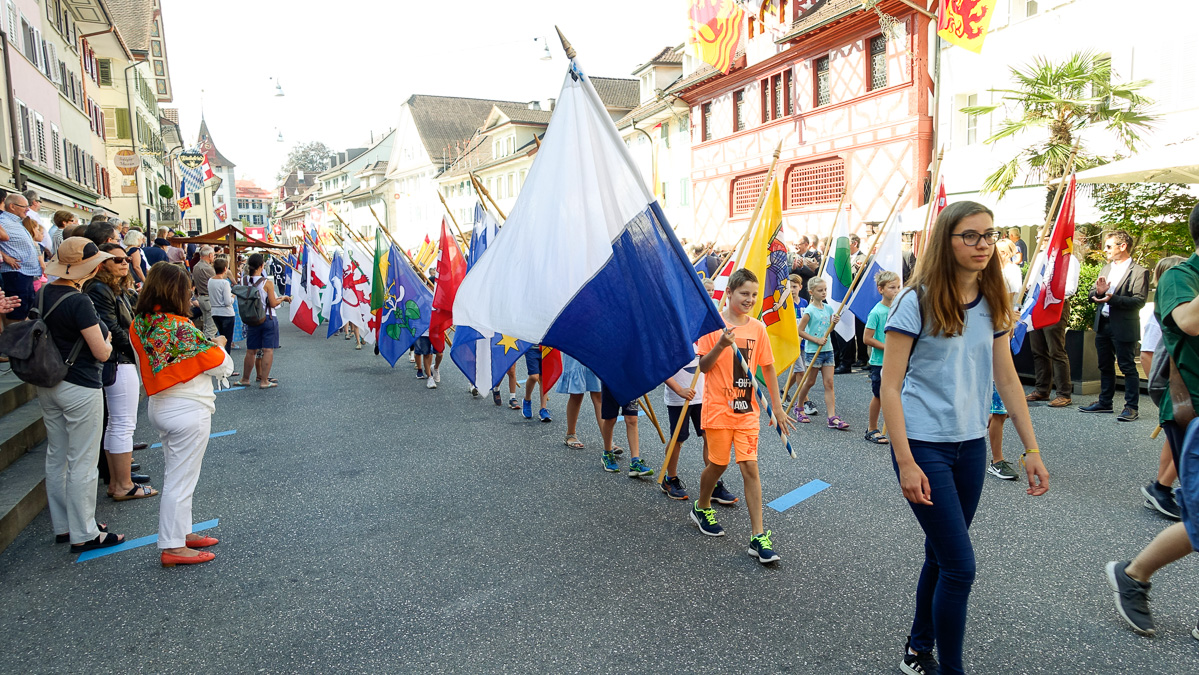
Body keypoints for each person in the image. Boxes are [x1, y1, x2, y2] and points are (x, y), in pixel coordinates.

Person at [881, 202, 1048, 675]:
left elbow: (1009, 380)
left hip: (972, 446)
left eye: (989, 236)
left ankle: (917, 648)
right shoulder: (915, 300)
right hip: (923, 446)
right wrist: (906, 462)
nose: (982, 245)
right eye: (970, 236)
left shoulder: (994, 302)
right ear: (946, 241)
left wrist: (1030, 448)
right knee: (960, 566)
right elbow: (891, 386)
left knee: (941, 554)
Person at [1105, 203, 1199, 639]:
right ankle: (1135, 573)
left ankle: (1135, 573)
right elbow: (1188, 321)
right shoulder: (1183, 277)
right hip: (1192, 409)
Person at [131, 263, 234, 567]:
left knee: (179, 474)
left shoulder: (141, 323)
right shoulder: (179, 327)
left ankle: (183, 532)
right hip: (188, 408)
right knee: (181, 479)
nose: (191, 292)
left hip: (160, 405)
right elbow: (222, 366)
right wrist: (219, 345)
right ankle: (173, 545)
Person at [690, 268, 794, 564]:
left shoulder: (758, 328)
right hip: (718, 409)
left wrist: (777, 406)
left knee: (750, 468)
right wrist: (721, 344)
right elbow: (706, 367)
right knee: (718, 464)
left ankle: (758, 536)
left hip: (748, 411)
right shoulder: (714, 326)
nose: (749, 299)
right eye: (744, 294)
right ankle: (702, 505)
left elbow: (769, 368)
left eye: (753, 294)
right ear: (731, 293)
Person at [37, 238, 127, 552]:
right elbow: (101, 351)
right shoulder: (79, 300)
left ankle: (65, 526)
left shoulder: (44, 292)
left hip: (49, 381)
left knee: (57, 456)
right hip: (79, 382)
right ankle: (85, 531)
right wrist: (107, 340)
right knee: (83, 461)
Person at [84, 243, 156, 502]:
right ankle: (122, 484)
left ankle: (119, 481)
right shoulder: (100, 289)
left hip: (121, 359)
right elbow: (112, 330)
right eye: (117, 260)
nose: (125, 263)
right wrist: (142, 347)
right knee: (121, 425)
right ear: (102, 264)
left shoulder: (114, 288)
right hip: (117, 361)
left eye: (127, 258)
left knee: (120, 425)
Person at [1079, 230, 1150, 421]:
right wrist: (1099, 294)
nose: (1105, 249)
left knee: (1127, 366)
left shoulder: (1139, 272)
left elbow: (1138, 301)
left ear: (1123, 246)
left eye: (1109, 246)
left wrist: (1112, 299)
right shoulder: (1106, 268)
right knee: (1104, 365)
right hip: (1103, 324)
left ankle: (1131, 407)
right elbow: (1094, 293)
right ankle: (1105, 402)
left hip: (1124, 326)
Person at [1140, 255, 1186, 520]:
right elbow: (1148, 355)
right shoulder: (1161, 314)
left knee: (1178, 440)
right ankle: (1161, 487)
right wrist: (1159, 394)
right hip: (1171, 387)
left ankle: (1162, 487)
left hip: (1176, 388)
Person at [1025, 235, 1081, 408]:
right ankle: (1042, 389)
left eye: (1045, 237)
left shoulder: (1069, 259)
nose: (1040, 240)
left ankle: (1064, 393)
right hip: (1037, 305)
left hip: (1055, 305)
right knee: (1037, 349)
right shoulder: (1040, 257)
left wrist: (1047, 292)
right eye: (1038, 236)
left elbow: (1070, 288)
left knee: (1056, 350)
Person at [986, 239, 1025, 481]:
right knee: (996, 410)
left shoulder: (1004, 279)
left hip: (998, 359)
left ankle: (997, 457)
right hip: (979, 362)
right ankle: (996, 459)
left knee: (1000, 411)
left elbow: (1003, 322)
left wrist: (1010, 319)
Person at [793, 277, 848, 429]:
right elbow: (800, 331)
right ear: (811, 292)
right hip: (813, 351)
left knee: (829, 383)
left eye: (825, 290)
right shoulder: (809, 311)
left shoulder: (828, 308)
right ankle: (799, 407)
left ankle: (832, 416)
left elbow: (828, 328)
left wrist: (834, 322)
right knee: (810, 382)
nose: (823, 293)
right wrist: (816, 340)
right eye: (820, 290)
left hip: (828, 350)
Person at [235, 253, 289, 389]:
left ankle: (245, 378)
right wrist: (283, 298)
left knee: (251, 350)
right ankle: (264, 380)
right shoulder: (267, 283)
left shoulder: (244, 281)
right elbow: (273, 303)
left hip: (251, 319)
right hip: (267, 318)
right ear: (261, 266)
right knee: (268, 350)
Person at [863, 270, 900, 445]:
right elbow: (867, 338)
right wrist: (888, 347)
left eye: (898, 287)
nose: (896, 290)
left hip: (897, 360)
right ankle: (871, 428)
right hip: (880, 361)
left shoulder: (898, 309)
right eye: (892, 287)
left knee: (897, 394)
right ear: (881, 289)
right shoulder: (876, 312)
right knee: (879, 395)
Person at [662, 350, 704, 500]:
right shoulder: (672, 333)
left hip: (703, 394)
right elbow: (661, 365)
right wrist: (679, 389)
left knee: (710, 437)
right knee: (678, 439)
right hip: (679, 397)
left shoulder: (705, 332)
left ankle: (714, 482)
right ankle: (670, 478)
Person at [0, 193, 43, 321]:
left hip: (24, 273)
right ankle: (15, 339)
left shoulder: (16, 222)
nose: (28, 209)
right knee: (17, 312)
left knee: (25, 309)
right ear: (12, 206)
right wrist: (5, 257)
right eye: (24, 206)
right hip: (16, 273)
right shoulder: (3, 221)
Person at [599, 382, 650, 477]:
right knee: (610, 419)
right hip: (611, 378)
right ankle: (607, 453)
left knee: (632, 419)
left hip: (631, 380)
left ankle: (635, 461)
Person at [557, 353, 603, 449]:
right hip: (575, 346)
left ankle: (608, 441)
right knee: (576, 394)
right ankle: (570, 434)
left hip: (593, 347)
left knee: (599, 394)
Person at [208, 257, 237, 368]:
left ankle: (220, 362)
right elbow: (227, 301)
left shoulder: (210, 281)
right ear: (225, 269)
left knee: (220, 337)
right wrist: (232, 297)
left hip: (215, 311)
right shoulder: (224, 283)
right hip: (226, 313)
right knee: (227, 341)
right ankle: (226, 365)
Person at [192, 245, 217, 339]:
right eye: (213, 255)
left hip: (201, 297)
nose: (214, 257)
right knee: (211, 327)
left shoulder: (196, 266)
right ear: (210, 255)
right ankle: (208, 348)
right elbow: (216, 281)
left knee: (206, 325)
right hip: (208, 298)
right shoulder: (208, 268)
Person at [522, 346, 551, 421]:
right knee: (534, 377)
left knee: (544, 378)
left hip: (546, 348)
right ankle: (527, 399)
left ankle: (543, 408)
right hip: (531, 348)